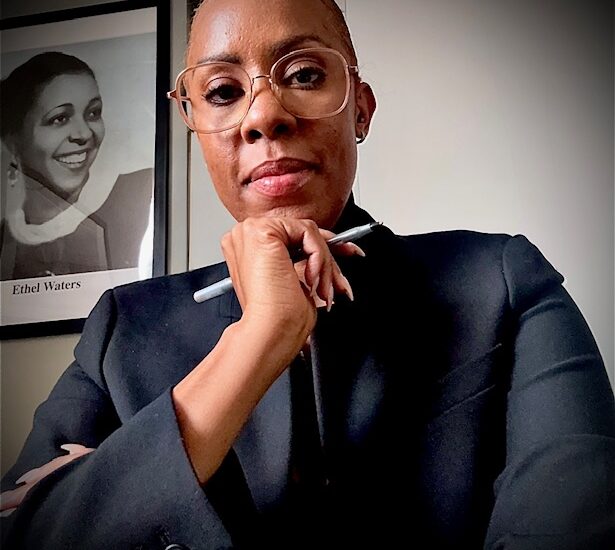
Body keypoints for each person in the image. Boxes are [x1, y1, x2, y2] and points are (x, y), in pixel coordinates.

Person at [1, 0, 614, 548]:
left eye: (304, 75)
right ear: (195, 128)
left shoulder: (503, 283)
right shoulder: (122, 329)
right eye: (222, 91)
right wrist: (255, 341)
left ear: (361, 110)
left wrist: (108, 489)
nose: (263, 116)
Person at [0, 51, 153, 280]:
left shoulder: (143, 193)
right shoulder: (5, 237)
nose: (84, 134)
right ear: (12, 140)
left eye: (93, 113)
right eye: (59, 118)